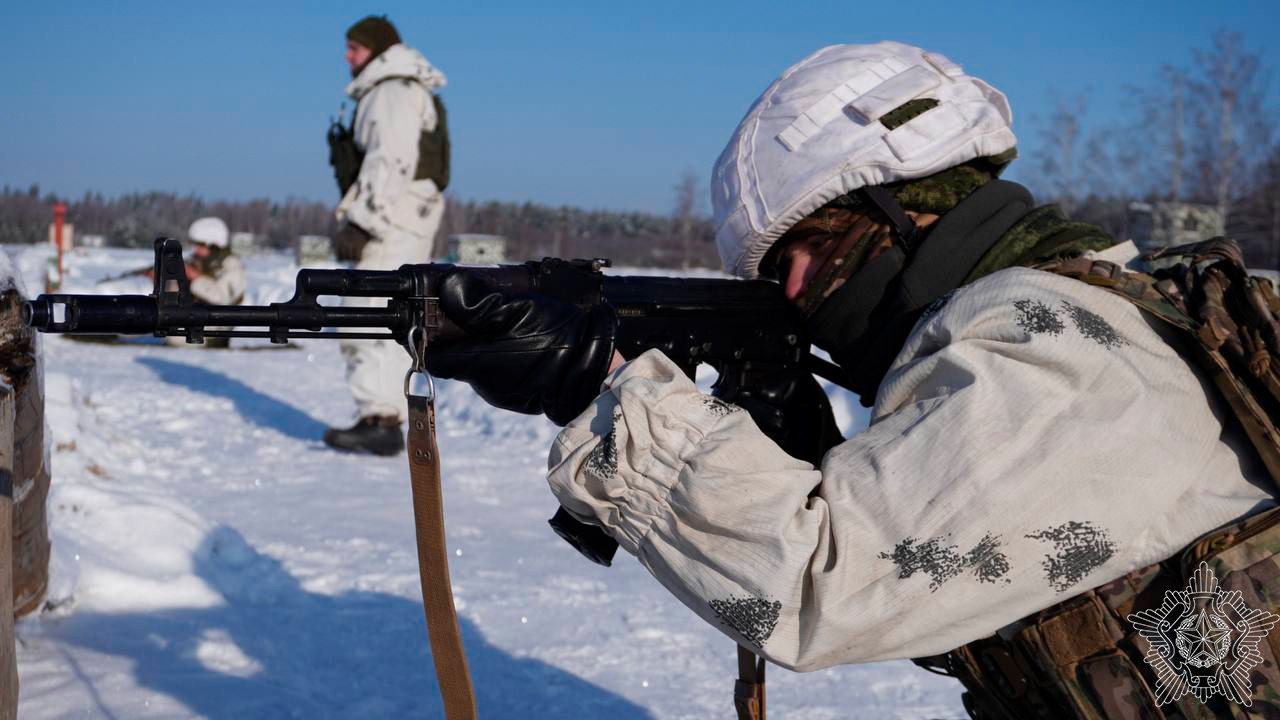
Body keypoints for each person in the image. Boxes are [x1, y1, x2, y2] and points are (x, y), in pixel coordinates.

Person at [425, 43, 1277, 717]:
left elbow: (823, 583)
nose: (793, 294)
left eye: (804, 252)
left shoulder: (1051, 348)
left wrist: (605, 388)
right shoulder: (1093, 306)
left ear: (905, 211)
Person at [323, 15, 449, 456]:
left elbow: (391, 160)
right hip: (406, 216)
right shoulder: (400, 88)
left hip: (393, 218)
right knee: (390, 315)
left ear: (377, 50)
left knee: (367, 313)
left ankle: (380, 418)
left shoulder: (392, 91)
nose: (347, 56)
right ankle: (387, 417)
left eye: (354, 48)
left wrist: (364, 221)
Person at [163, 216, 246, 349]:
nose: (196, 250)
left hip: (220, 322)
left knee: (175, 336)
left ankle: (215, 342)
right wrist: (167, 280)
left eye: (201, 245)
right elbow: (174, 297)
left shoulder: (232, 266)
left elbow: (221, 298)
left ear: (214, 245)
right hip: (198, 315)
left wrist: (195, 277)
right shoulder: (200, 262)